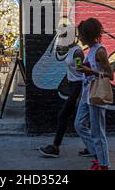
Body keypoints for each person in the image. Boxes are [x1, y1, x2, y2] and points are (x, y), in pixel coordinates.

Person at [39, 30, 90, 158]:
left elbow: (81, 70)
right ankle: (91, 147)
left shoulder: (77, 52)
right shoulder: (71, 50)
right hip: (73, 86)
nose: (62, 41)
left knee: (63, 115)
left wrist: (78, 95)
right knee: (80, 120)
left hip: (78, 88)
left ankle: (55, 147)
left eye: (64, 38)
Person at [74, 18, 114, 171]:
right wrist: (84, 69)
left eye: (81, 35)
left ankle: (103, 165)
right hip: (87, 94)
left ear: (88, 35)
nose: (80, 38)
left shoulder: (100, 51)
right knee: (78, 124)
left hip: (96, 94)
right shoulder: (90, 51)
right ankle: (98, 155)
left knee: (98, 132)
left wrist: (91, 71)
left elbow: (110, 75)